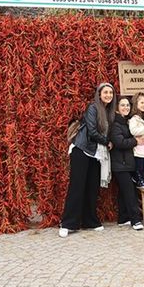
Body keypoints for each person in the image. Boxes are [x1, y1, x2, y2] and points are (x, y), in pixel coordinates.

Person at [60, 83, 116, 238]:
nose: (108, 95)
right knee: (77, 186)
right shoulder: (93, 108)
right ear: (99, 94)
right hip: (82, 149)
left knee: (92, 187)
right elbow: (91, 131)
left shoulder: (109, 112)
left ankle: (89, 221)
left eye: (111, 93)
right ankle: (68, 223)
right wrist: (107, 142)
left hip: (96, 153)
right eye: (105, 92)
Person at [109, 97, 144, 231]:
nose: (126, 107)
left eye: (128, 105)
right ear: (117, 108)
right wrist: (135, 141)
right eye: (122, 105)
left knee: (124, 192)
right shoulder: (115, 124)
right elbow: (119, 142)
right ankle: (136, 220)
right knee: (130, 192)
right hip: (120, 164)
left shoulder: (127, 122)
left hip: (127, 163)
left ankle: (123, 218)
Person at [128, 92, 144, 189]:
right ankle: (139, 180)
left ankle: (141, 179)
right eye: (141, 103)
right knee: (139, 167)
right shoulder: (134, 119)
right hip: (139, 149)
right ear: (136, 104)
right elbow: (133, 131)